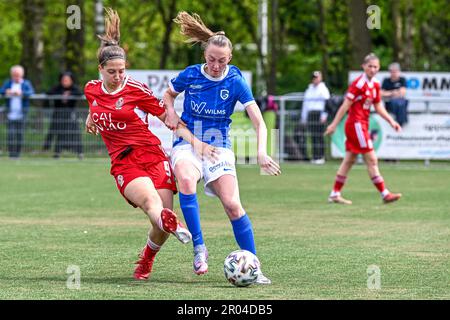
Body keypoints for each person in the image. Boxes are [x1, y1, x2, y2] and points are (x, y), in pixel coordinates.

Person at [84, 8, 216, 281]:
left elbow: (168, 117)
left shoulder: (136, 90)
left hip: (152, 154)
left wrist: (196, 142)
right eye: (112, 72)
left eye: (121, 70)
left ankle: (147, 258)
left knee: (161, 224)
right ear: (100, 70)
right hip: (124, 160)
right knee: (151, 202)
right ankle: (172, 222)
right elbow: (95, 104)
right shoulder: (91, 89)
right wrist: (90, 117)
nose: (118, 76)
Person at [163, 12, 281, 284]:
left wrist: (261, 152)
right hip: (188, 142)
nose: (216, 66)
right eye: (211, 60)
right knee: (186, 180)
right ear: (205, 55)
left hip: (218, 146)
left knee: (232, 205)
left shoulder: (236, 81)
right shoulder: (191, 75)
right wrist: (170, 111)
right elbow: (168, 94)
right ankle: (199, 248)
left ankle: (254, 267)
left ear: (230, 59)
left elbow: (259, 122)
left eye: (222, 61)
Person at [324, 53, 402, 205]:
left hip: (362, 124)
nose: (372, 69)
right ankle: (385, 193)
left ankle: (334, 193)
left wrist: (392, 121)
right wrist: (334, 124)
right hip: (356, 124)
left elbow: (378, 107)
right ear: (364, 66)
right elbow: (345, 105)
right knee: (372, 159)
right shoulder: (358, 84)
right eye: (370, 66)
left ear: (379, 68)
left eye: (375, 67)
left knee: (349, 160)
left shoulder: (376, 84)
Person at [44, 71, 84, 159]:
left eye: (67, 80)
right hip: (58, 115)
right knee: (59, 133)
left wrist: (70, 94)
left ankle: (80, 152)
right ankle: (56, 152)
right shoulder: (57, 88)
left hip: (71, 115)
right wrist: (61, 95)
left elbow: (80, 93)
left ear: (71, 81)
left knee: (75, 133)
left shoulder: (74, 88)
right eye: (63, 80)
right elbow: (48, 93)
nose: (65, 82)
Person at [0, 65, 35, 158]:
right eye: (14, 75)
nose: (16, 77)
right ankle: (11, 154)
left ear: (22, 75)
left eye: (18, 75)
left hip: (22, 113)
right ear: (12, 75)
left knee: (20, 135)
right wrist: (7, 92)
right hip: (10, 114)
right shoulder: (8, 83)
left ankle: (17, 154)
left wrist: (22, 93)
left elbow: (31, 92)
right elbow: (2, 90)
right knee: (11, 135)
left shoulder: (26, 83)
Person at [300, 71, 330, 164]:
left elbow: (327, 103)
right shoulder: (309, 90)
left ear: (320, 78)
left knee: (319, 136)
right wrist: (304, 117)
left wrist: (324, 115)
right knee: (313, 136)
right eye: (314, 78)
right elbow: (305, 104)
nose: (315, 79)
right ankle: (314, 156)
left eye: (317, 77)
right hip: (310, 114)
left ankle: (321, 156)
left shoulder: (324, 89)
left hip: (319, 114)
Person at [381, 62, 408, 127]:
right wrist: (394, 92)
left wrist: (389, 93)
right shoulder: (386, 80)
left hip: (400, 101)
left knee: (401, 102)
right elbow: (381, 93)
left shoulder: (402, 79)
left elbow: (403, 92)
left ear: (399, 71)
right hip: (389, 102)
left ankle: (399, 122)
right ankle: (401, 121)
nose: (394, 73)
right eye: (392, 71)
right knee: (398, 103)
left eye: (395, 71)